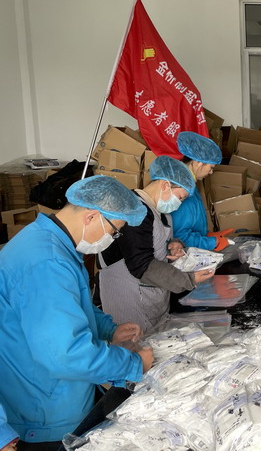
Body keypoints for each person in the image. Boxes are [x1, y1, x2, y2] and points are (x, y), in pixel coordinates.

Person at [0, 176, 153, 448]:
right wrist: (132, 365)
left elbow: (72, 308)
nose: (111, 239)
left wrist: (109, 330)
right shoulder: (47, 263)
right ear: (91, 217)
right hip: (44, 410)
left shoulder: (49, 241)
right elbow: (66, 354)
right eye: (114, 231)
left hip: (54, 392)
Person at [99, 156, 216, 334]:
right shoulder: (134, 212)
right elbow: (142, 265)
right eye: (180, 197)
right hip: (130, 302)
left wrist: (175, 245)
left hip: (154, 298)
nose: (179, 204)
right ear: (165, 185)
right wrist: (189, 279)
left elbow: (156, 240)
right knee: (133, 344)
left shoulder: (160, 210)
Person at [171, 131, 232, 253]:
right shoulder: (181, 189)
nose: (211, 172)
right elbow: (180, 237)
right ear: (199, 163)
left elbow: (192, 222)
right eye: (211, 168)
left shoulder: (190, 184)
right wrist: (212, 242)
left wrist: (207, 235)